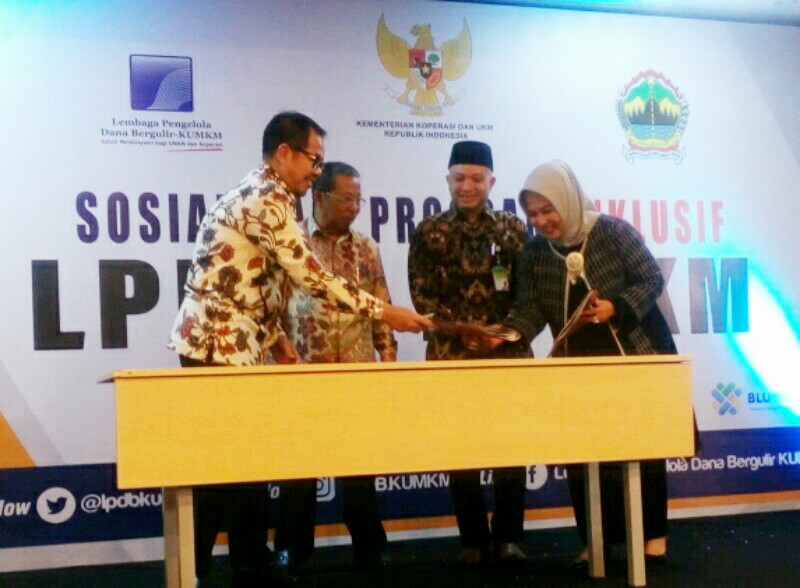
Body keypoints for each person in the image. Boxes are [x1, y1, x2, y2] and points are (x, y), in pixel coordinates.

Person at [167, 111, 432, 586]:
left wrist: (276, 338)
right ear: (284, 153)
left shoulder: (271, 195)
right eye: (314, 159)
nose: (317, 170)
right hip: (216, 342)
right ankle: (197, 569)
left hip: (234, 340)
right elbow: (311, 277)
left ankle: (249, 562)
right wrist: (385, 312)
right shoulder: (267, 198)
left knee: (244, 461)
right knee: (221, 466)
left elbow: (251, 280)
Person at [497, 159, 676, 566]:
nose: (541, 221)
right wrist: (505, 335)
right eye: (533, 214)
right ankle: (595, 541)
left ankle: (653, 538)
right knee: (583, 454)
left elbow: (651, 278)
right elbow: (529, 310)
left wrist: (616, 306)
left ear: (568, 200)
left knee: (643, 446)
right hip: (576, 363)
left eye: (548, 210)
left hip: (632, 354)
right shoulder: (535, 253)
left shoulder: (612, 231)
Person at [407, 141, 532, 565]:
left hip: (507, 355)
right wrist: (464, 332)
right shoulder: (429, 231)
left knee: (510, 447)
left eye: (477, 178)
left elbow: (527, 297)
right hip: (451, 355)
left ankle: (509, 537)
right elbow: (422, 298)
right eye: (459, 178)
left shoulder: (513, 229)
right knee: (460, 448)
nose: (468, 186)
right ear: (448, 179)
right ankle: (473, 540)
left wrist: (498, 335)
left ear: (492, 181)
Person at [275, 162, 395, 571]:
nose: (354, 207)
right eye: (346, 199)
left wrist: (387, 359)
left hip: (357, 373)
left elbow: (381, 306)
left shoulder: (367, 247)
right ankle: (292, 549)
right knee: (298, 469)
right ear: (319, 196)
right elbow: (273, 309)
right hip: (303, 373)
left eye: (358, 200)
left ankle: (370, 546)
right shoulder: (292, 243)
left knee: (360, 467)